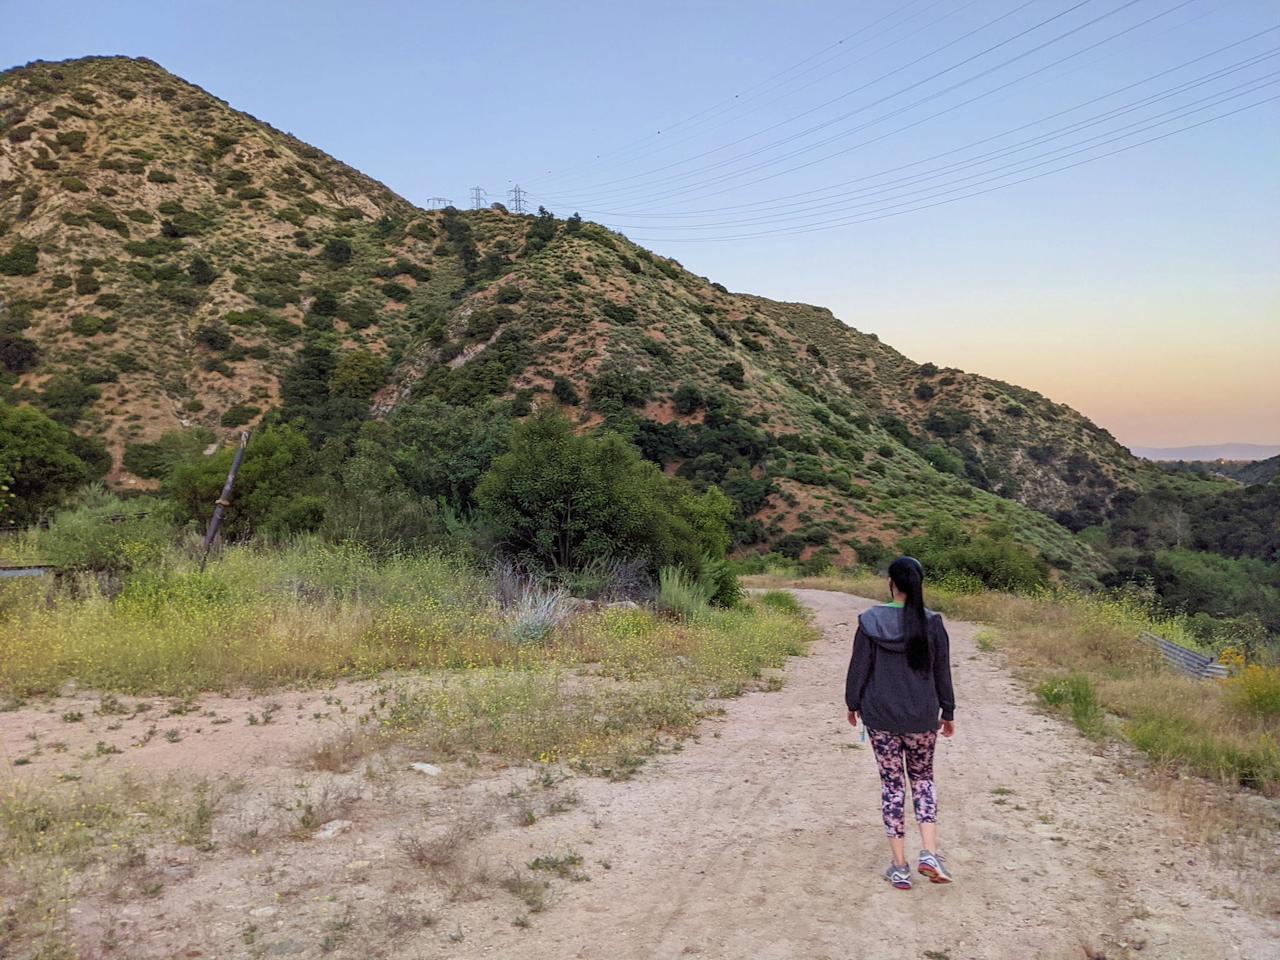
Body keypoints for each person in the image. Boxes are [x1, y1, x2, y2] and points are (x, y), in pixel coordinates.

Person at [845, 555, 956, 890]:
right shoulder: (932, 623)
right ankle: (929, 853)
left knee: (892, 786)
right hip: (922, 717)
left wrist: (853, 703)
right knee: (922, 780)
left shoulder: (869, 620)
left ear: (890, 582)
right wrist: (947, 712)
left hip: (880, 717)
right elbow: (942, 672)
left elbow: (859, 667)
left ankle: (899, 866)